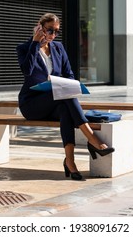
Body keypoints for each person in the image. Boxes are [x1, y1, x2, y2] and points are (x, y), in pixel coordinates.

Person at [16, 13, 114, 181]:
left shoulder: (58, 48)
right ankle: (92, 139)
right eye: (49, 31)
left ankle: (70, 161)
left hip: (55, 102)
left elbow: (69, 75)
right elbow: (27, 71)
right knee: (65, 95)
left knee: (65, 107)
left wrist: (66, 84)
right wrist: (34, 42)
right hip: (32, 104)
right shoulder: (25, 47)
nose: (53, 35)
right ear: (39, 28)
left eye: (56, 32)